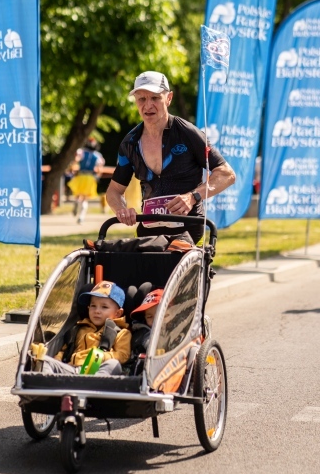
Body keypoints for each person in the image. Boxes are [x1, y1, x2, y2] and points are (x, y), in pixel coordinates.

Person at [106, 70, 236, 243]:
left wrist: (193, 196)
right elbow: (114, 191)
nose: (148, 105)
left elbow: (227, 174)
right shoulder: (130, 143)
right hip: (148, 235)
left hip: (189, 233)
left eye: (155, 98)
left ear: (169, 98)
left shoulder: (187, 133)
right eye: (142, 99)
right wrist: (121, 210)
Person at [33, 281, 131, 377]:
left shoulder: (121, 332)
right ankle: (55, 387)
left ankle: (90, 385)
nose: (97, 311)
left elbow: (123, 355)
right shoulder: (79, 329)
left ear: (117, 313)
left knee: (114, 364)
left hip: (98, 369)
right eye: (93, 306)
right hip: (73, 370)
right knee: (43, 361)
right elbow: (65, 350)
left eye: (104, 307)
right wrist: (58, 358)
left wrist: (101, 357)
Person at [68, 138, 105, 224]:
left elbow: (76, 161)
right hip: (90, 177)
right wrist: (97, 177)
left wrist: (72, 169)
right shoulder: (97, 155)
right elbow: (100, 168)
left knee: (78, 195)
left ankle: (76, 204)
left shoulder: (81, 152)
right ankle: (81, 217)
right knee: (85, 198)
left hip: (81, 176)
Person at [129, 289, 163, 375]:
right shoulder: (143, 333)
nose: (155, 320)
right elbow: (149, 344)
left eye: (159, 314)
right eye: (149, 317)